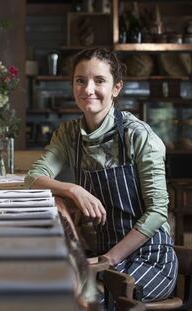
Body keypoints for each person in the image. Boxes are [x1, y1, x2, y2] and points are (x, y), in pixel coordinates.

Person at [25, 47, 178, 302]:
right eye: (80, 80)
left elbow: (158, 211)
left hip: (149, 256)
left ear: (116, 88)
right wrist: (72, 189)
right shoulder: (68, 135)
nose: (88, 90)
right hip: (105, 256)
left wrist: (110, 259)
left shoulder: (139, 136)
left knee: (102, 300)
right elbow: (32, 178)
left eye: (99, 81)